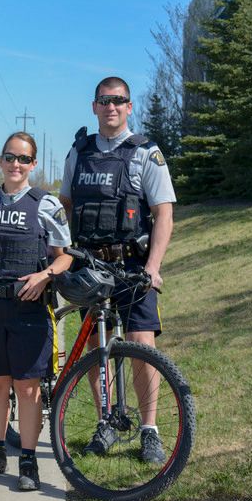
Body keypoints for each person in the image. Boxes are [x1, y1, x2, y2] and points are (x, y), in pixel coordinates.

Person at [59, 76, 176, 464]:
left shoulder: (146, 152)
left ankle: (149, 430)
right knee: (96, 347)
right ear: (94, 106)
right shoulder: (79, 152)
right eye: (104, 100)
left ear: (129, 107)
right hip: (90, 267)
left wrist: (153, 266)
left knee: (143, 344)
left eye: (119, 100)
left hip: (132, 267)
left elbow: (163, 214)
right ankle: (106, 421)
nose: (111, 106)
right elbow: (66, 205)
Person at [0, 132, 72, 491]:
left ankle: (28, 460)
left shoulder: (47, 204)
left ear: (33, 164)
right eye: (10, 157)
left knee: (27, 387)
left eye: (23, 159)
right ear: (1, 160)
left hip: (28, 309)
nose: (15, 164)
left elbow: (66, 255)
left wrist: (45, 274)